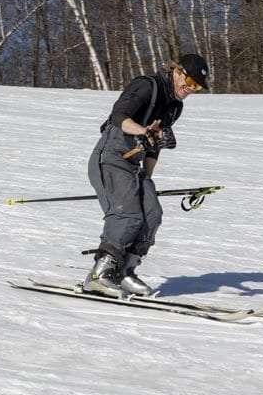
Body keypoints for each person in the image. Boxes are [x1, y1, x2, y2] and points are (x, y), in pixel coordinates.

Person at [83, 53, 209, 297]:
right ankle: (100, 274)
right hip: (111, 156)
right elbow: (119, 116)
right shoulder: (146, 86)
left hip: (135, 164)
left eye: (196, 87)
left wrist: (146, 177)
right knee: (128, 214)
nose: (190, 90)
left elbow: (154, 145)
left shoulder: (175, 107)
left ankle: (124, 271)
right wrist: (142, 131)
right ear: (177, 71)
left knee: (152, 214)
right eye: (190, 83)